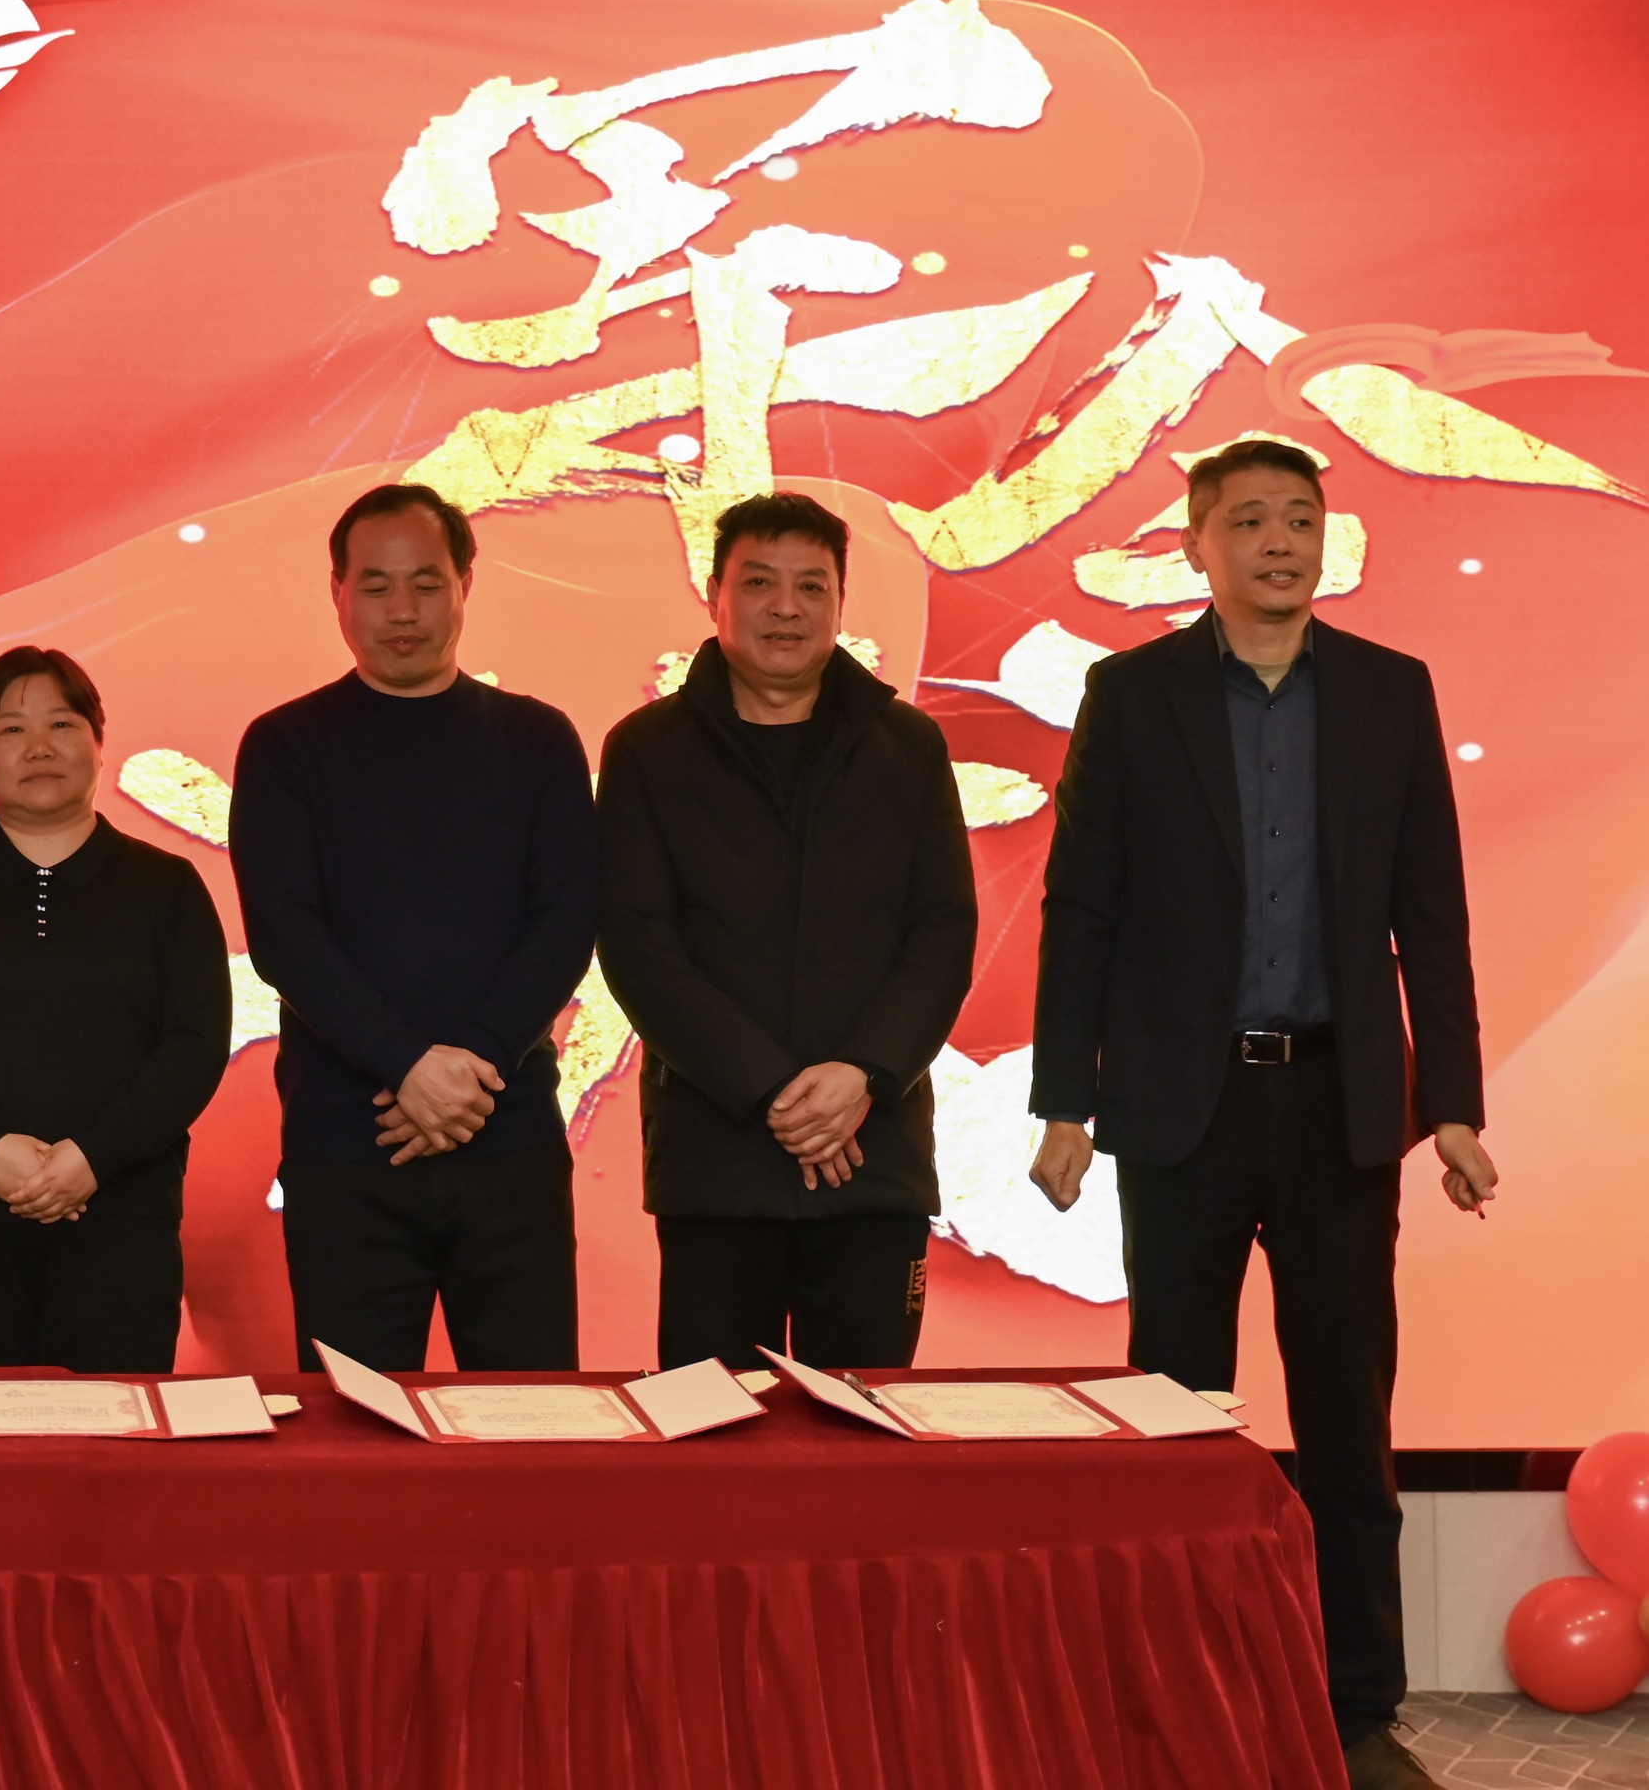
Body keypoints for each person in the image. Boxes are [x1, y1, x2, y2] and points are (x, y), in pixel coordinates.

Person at [1028, 439, 1495, 1790]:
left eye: (1299, 518)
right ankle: (1160, 1696)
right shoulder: (1132, 695)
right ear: (1197, 545)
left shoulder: (1389, 691)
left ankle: (1358, 1709)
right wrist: (1064, 1100)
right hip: (1184, 1106)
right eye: (1248, 521)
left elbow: (1432, 914)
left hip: (1340, 1105)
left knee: (1346, 1419)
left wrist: (1453, 1105)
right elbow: (1082, 907)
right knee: (1174, 1415)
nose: (1279, 541)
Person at [597, 492, 976, 1371]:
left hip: (873, 1153)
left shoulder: (907, 746)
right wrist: (775, 1092)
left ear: (840, 603)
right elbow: (640, 947)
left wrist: (864, 1076)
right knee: (719, 1430)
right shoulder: (648, 750)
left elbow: (942, 932)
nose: (787, 607)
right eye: (760, 582)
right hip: (717, 1160)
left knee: (869, 1422)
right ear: (714, 594)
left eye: (812, 586)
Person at [229, 481, 598, 1371]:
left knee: (532, 1418)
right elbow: (284, 933)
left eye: (426, 584)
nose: (403, 611)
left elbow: (567, 918)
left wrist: (469, 1066)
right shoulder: (285, 746)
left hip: (507, 1139)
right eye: (377, 585)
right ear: (338, 592)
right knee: (352, 1428)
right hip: (345, 1146)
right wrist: (406, 1065)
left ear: (465, 584)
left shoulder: (538, 740)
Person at [0, 647, 231, 1371]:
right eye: (11, 729)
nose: (39, 747)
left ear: (99, 742)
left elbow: (193, 1047)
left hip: (121, 1218)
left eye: (62, 723)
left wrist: (92, 1159)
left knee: (116, 1431)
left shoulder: (168, 888)